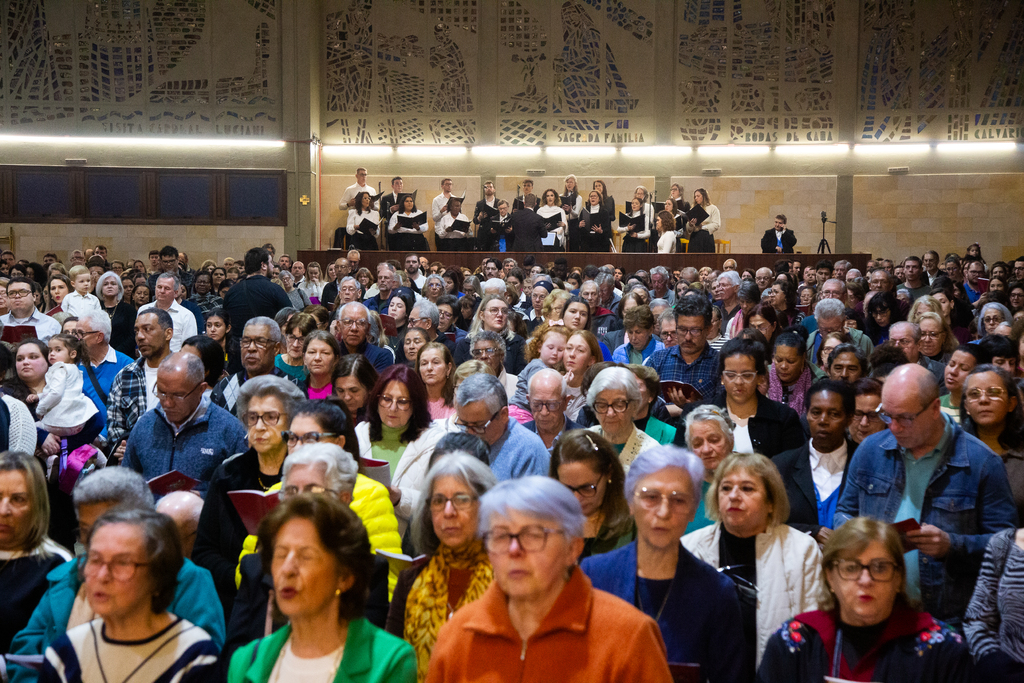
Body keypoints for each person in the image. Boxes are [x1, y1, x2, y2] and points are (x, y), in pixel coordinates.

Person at [425, 476, 674, 682]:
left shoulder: (629, 636)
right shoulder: (458, 635)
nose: (514, 550)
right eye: (500, 536)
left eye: (534, 534)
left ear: (573, 548)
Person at [835, 363, 1019, 627]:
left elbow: (1008, 547)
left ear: (934, 408)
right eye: (887, 416)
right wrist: (859, 536)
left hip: (949, 620)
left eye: (905, 418)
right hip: (877, 611)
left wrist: (951, 545)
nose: (894, 427)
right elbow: (844, 512)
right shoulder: (871, 450)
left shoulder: (981, 463)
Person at [582, 446, 747, 682]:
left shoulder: (717, 592)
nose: (663, 511)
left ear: (693, 510)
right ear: (630, 503)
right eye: (651, 497)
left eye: (678, 500)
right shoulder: (593, 576)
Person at [225, 442, 396, 665]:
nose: (298, 502)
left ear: (344, 499)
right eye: (291, 491)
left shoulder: (367, 571)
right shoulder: (256, 567)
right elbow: (233, 659)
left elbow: (362, 660)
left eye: (313, 491)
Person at [759, 517, 973, 683]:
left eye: (880, 567)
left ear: (898, 578)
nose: (865, 580)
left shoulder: (944, 648)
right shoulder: (795, 641)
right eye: (851, 568)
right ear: (830, 577)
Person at [228, 495, 416, 683]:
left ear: (345, 577)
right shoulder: (245, 661)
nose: (287, 569)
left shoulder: (390, 661)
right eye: (281, 554)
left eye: (306, 556)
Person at [39, 508, 219, 683]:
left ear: (158, 576)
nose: (102, 576)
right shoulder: (65, 652)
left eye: (122, 563)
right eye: (94, 559)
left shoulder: (195, 656)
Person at [684, 452, 825, 669]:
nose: (734, 496)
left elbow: (814, 629)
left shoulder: (802, 550)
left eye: (747, 488)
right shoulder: (689, 548)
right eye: (726, 488)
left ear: (771, 502)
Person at [193, 374, 305, 616]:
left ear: (291, 422)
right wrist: (240, 577)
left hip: (294, 598)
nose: (260, 427)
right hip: (233, 601)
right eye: (252, 417)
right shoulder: (227, 475)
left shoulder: (304, 479)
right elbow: (203, 551)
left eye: (271, 417)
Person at [385, 455, 497, 678]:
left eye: (461, 500)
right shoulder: (410, 581)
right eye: (438, 501)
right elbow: (392, 669)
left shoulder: (509, 581)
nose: (448, 511)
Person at [676, 337, 804, 457]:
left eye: (747, 375)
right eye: (731, 375)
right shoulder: (694, 414)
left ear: (760, 377)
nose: (738, 382)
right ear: (722, 378)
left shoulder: (783, 418)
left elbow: (792, 465)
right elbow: (679, 462)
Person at [355, 365, 447, 532]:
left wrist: (400, 498)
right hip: (361, 535)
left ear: (415, 405)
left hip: (407, 539)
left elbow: (439, 504)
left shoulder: (435, 442)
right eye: (386, 399)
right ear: (376, 399)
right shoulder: (359, 434)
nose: (393, 408)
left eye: (402, 401)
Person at [0, 452, 72, 656]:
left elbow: (58, 651)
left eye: (17, 499)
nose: (3, 510)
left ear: (36, 504)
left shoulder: (56, 565)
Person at [773, 379, 856, 544]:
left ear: (849, 419)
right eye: (816, 412)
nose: (823, 421)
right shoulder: (781, 465)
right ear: (807, 415)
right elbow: (768, 522)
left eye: (834, 414)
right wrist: (811, 532)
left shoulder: (863, 462)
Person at [550, 429, 632, 559]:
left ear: (609, 473)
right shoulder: (548, 522)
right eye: (567, 489)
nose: (576, 498)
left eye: (587, 488)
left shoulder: (632, 523)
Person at [105, 308, 174, 454]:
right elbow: (114, 426)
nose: (140, 337)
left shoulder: (185, 372)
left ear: (168, 333)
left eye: (147, 329)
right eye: (136, 331)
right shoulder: (125, 376)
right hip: (133, 457)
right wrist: (126, 449)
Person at [960, 365, 1024, 521]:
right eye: (974, 394)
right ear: (966, 406)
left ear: (1011, 403)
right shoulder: (952, 452)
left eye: (993, 392)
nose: (983, 400)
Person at [211, 316, 300, 415]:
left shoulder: (293, 389)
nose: (251, 348)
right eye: (246, 341)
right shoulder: (224, 386)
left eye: (260, 342)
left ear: (276, 348)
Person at [645, 295, 721, 405]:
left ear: (708, 329)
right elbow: (643, 402)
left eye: (695, 330)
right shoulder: (657, 360)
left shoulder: (719, 363)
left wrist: (693, 407)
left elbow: (724, 408)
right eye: (682, 330)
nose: (688, 337)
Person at [221, 248, 291, 359]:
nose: (272, 266)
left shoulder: (232, 291)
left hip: (238, 352)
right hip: (265, 352)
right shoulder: (275, 290)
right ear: (263, 265)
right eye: (270, 263)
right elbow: (291, 317)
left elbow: (225, 320)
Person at [587, 367, 658, 472]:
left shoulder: (652, 453)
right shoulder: (583, 441)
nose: (610, 413)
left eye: (619, 405)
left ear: (635, 407)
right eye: (602, 405)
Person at [453, 295, 526, 375]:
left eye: (504, 311)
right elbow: (459, 376)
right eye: (494, 310)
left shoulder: (517, 342)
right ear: (482, 315)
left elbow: (521, 376)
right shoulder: (465, 344)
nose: (500, 314)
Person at [334, 301, 396, 372]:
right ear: (338, 326)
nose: (354, 328)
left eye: (361, 323)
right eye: (348, 322)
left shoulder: (382, 356)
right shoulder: (333, 354)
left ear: (368, 328)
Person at [768, 330, 819, 416]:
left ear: (803, 358)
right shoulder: (763, 377)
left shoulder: (817, 381)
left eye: (790, 361)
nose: (783, 366)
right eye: (779, 360)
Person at [94, 271, 137, 358]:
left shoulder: (129, 309)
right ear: (100, 289)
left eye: (113, 284)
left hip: (124, 355)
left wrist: (115, 353)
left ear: (119, 288)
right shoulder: (96, 308)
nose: (109, 286)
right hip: (99, 354)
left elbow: (133, 335)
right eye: (105, 284)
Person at [335, 354, 378, 423]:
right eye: (341, 391)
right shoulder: (330, 416)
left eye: (354, 390)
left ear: (370, 388)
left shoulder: (382, 415)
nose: (347, 397)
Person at [418, 342, 456, 420]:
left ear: (448, 368)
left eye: (436, 362)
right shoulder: (413, 401)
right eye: (424, 363)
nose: (429, 368)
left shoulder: (458, 401)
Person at [276, 311, 316, 381]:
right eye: (292, 337)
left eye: (302, 339)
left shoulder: (314, 369)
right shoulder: (274, 363)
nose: (295, 344)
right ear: (286, 337)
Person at [301, 330, 342, 400]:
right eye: (312, 352)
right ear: (304, 358)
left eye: (325, 353)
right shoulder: (296, 391)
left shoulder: (342, 392)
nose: (317, 358)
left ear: (335, 359)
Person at [685, 188, 719, 253]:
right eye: (695, 196)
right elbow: (688, 229)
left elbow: (717, 224)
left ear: (704, 196)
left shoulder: (713, 208)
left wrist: (702, 226)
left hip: (706, 237)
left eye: (698, 196)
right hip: (695, 237)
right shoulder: (693, 209)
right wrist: (690, 224)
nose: (696, 198)